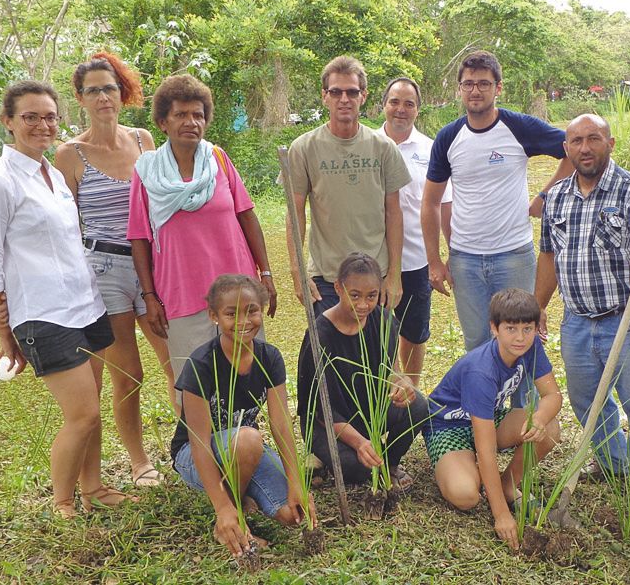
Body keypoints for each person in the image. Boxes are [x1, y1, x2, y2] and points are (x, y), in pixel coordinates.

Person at [0, 80, 135, 518]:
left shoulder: (53, 175)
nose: (42, 125)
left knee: (93, 410)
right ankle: (62, 502)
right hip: (42, 314)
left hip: (85, 303)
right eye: (30, 117)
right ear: (8, 122)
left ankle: (93, 488)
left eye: (49, 116)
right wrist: (6, 337)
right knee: (81, 415)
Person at [534, 114, 630, 507]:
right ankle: (611, 463)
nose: (585, 147)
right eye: (576, 141)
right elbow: (548, 256)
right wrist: (538, 304)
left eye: (593, 139)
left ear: (610, 143)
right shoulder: (556, 197)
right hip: (576, 321)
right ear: (566, 149)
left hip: (626, 320)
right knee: (586, 401)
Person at [53, 52, 168, 487]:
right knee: (130, 376)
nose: (104, 97)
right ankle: (140, 463)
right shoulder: (71, 154)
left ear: (123, 92)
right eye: (94, 90)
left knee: (177, 366)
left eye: (110, 87)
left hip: (153, 266)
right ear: (80, 98)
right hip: (104, 270)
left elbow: (161, 204)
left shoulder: (143, 141)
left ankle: (194, 451)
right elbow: (65, 228)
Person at [127, 74, 276, 393]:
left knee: (247, 380)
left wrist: (265, 273)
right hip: (181, 294)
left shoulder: (218, 160)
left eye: (198, 114)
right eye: (180, 114)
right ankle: (201, 445)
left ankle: (246, 442)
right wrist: (149, 297)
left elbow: (247, 216)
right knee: (195, 388)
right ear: (162, 122)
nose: (191, 121)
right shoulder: (147, 173)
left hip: (238, 291)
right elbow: (139, 237)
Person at [422, 50, 573, 351]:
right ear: (460, 89)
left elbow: (572, 148)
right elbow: (430, 203)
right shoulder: (448, 137)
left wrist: (545, 195)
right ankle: (485, 400)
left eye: (483, 83)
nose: (475, 90)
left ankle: (522, 400)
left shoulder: (519, 127)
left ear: (498, 88)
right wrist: (435, 261)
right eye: (468, 84)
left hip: (514, 256)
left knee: (520, 341)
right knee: (477, 344)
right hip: (466, 261)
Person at [172, 275, 316, 557]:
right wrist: (223, 508)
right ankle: (232, 513)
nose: (243, 321)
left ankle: (245, 488)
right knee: (249, 438)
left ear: (262, 309)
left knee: (292, 514)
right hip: (196, 455)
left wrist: (296, 483)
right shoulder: (201, 364)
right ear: (214, 316)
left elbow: (281, 424)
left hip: (244, 449)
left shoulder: (269, 357)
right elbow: (199, 441)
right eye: (230, 313)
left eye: (251, 310)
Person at [424, 288, 562, 551]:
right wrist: (501, 515)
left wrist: (540, 418)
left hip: (488, 414)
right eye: (511, 328)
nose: (520, 338)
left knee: (551, 428)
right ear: (494, 328)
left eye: (527, 328)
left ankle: (508, 485)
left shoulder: (531, 348)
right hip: (447, 425)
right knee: (465, 495)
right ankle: (469, 473)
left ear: (536, 328)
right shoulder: (481, 371)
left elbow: (553, 395)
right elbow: (486, 449)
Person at [285, 56, 410, 317]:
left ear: (363, 96)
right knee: (331, 356)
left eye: (352, 92)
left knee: (378, 354)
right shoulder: (303, 148)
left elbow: (394, 213)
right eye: (336, 92)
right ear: (324, 96)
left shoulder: (383, 147)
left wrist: (394, 275)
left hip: (376, 274)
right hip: (327, 276)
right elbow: (294, 214)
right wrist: (298, 274)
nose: (344, 99)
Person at [296, 254, 429, 490]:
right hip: (327, 423)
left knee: (418, 405)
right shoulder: (319, 336)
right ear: (338, 288)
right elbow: (319, 411)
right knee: (355, 469)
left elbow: (392, 371)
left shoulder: (385, 321)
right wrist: (359, 443)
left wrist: (402, 384)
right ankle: (340, 457)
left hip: (369, 413)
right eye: (354, 295)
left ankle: (388, 463)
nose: (363, 305)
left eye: (372, 296)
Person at [376, 77, 453, 380]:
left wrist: (450, 254)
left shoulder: (431, 149)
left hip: (417, 258)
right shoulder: (367, 144)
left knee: (415, 332)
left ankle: (412, 393)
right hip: (375, 260)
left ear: (418, 110)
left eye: (409, 104)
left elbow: (444, 204)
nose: (401, 109)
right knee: (377, 333)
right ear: (383, 105)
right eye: (394, 101)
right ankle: (384, 393)